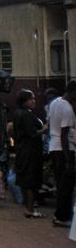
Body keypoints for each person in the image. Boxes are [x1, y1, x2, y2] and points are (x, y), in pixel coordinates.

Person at [13, 88, 46, 218]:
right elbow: (32, 134)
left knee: (26, 180)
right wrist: (44, 129)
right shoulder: (26, 114)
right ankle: (30, 209)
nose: (34, 100)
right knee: (31, 181)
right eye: (31, 98)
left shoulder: (18, 113)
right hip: (30, 152)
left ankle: (29, 207)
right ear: (25, 101)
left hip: (23, 150)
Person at [48, 80, 76, 227]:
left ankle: (60, 215)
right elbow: (64, 135)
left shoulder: (55, 102)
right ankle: (62, 217)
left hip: (54, 147)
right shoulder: (68, 110)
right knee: (67, 186)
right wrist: (68, 160)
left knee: (61, 185)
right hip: (64, 150)